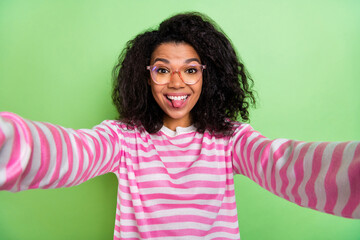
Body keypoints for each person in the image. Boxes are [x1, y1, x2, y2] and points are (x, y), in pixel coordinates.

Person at [0, 12, 359, 240]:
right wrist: (9, 145)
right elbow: (70, 152)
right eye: (162, 69)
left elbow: (285, 165)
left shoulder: (230, 139)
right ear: (146, 76)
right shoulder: (123, 139)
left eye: (190, 69)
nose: (176, 82)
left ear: (208, 76)